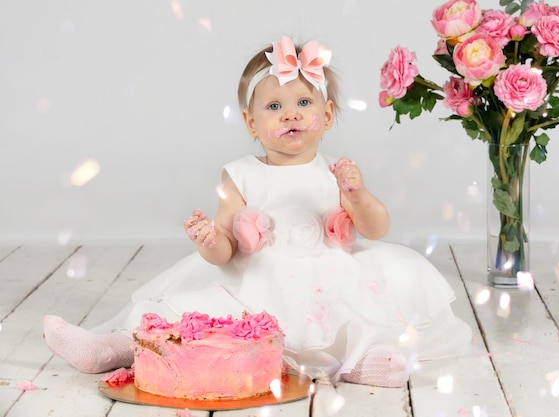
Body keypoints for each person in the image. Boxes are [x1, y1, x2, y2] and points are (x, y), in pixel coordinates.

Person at [43, 36, 471, 388]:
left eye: (304, 103)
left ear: (327, 114)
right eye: (273, 107)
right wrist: (210, 241)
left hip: (326, 274)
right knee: (189, 315)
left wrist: (357, 198)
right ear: (251, 123)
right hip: (252, 278)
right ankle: (111, 348)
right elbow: (226, 250)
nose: (290, 114)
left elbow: (376, 229)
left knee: (345, 318)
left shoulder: (336, 172)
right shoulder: (241, 175)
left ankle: (358, 364)